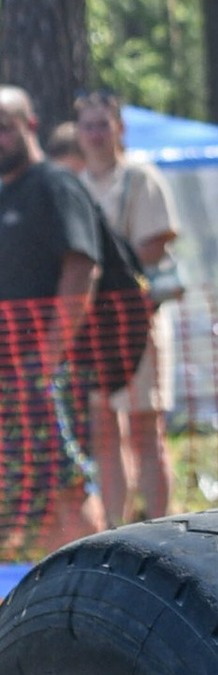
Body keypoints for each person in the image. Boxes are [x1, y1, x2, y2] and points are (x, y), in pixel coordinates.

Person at [0, 88, 104, 554]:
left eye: (5, 127)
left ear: (31, 125)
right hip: (12, 374)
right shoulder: (6, 192)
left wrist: (49, 356)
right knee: (39, 494)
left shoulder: (54, 184)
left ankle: (97, 580)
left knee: (69, 486)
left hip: (50, 371)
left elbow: (82, 266)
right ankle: (57, 585)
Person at [71, 91, 178, 523]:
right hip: (95, 327)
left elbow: (156, 242)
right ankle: (116, 529)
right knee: (104, 430)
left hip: (139, 320)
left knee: (145, 429)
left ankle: (162, 526)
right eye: (88, 126)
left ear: (119, 128)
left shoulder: (140, 177)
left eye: (103, 124)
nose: (96, 134)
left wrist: (108, 269)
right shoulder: (76, 186)